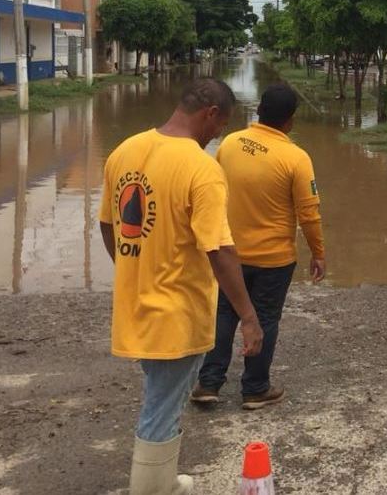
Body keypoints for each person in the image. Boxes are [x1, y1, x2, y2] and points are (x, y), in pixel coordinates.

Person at [99, 78, 264, 495]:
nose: (217, 135)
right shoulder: (201, 167)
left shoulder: (125, 151)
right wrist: (248, 316)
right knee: (161, 409)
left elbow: (108, 224)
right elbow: (220, 250)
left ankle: (165, 482)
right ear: (210, 113)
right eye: (220, 125)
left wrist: (133, 267)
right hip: (177, 312)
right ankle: (152, 489)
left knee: (162, 400)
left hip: (135, 306)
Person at [192, 83, 326, 410]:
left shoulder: (230, 143)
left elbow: (215, 189)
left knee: (225, 312)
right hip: (274, 259)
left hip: (229, 252)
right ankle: (255, 388)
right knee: (264, 317)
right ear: (290, 120)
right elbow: (309, 214)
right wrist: (318, 252)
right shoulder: (296, 158)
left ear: (259, 111)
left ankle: (208, 383)